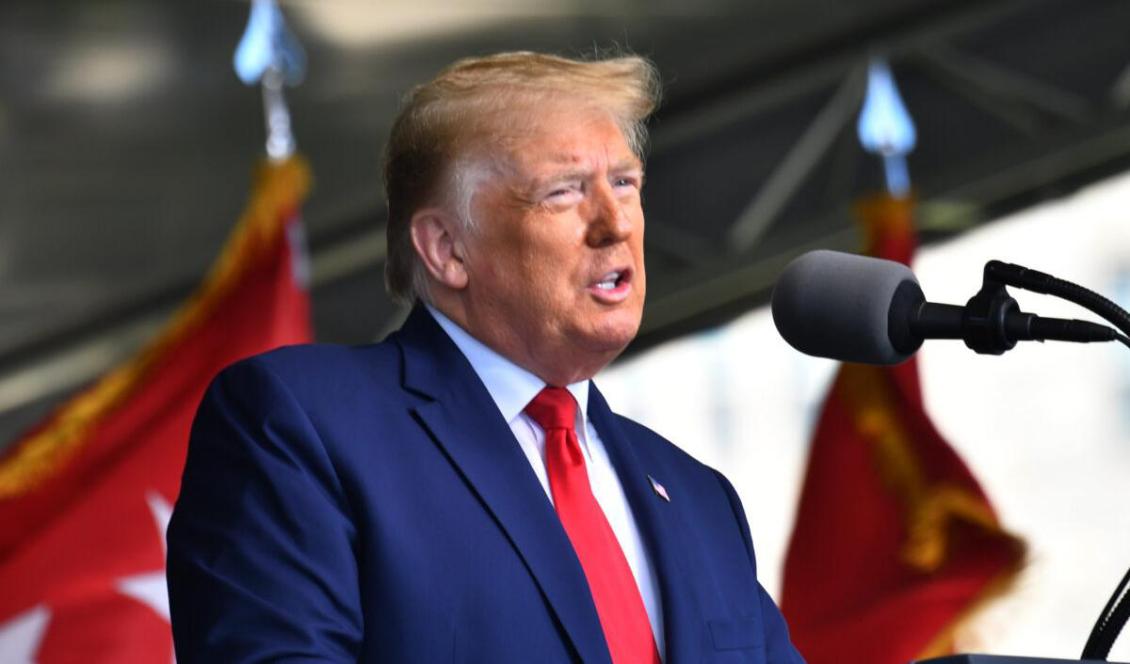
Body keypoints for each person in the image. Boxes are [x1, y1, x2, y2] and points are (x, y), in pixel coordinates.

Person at [167, 51, 805, 663]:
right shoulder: (302, 427)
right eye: (562, 192)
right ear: (447, 249)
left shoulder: (699, 498)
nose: (615, 223)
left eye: (624, 182)